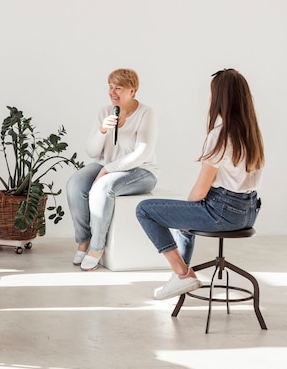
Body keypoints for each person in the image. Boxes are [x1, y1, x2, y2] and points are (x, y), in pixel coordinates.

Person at [136, 68, 264, 300]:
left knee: (145, 209)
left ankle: (182, 274)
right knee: (185, 218)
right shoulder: (252, 133)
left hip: (224, 212)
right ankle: (180, 279)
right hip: (248, 213)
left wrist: (186, 212)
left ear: (219, 98)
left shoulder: (220, 135)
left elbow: (201, 190)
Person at [66, 68, 158, 271]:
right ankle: (84, 241)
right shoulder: (104, 112)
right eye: (110, 87)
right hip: (105, 164)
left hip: (140, 171)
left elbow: (142, 153)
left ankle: (97, 248)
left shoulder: (146, 114)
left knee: (102, 188)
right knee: (75, 184)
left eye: (119, 88)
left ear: (132, 91)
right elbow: (92, 151)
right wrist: (102, 131)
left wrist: (108, 170)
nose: (112, 92)